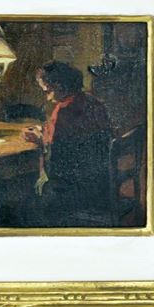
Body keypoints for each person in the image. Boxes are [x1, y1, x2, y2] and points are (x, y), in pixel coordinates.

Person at [23, 61, 113, 226]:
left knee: (24, 188)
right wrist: (47, 132)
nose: (47, 97)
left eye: (48, 91)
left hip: (74, 189)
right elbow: (73, 140)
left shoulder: (64, 111)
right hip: (101, 181)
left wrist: (41, 141)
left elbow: (56, 162)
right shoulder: (92, 102)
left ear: (60, 86)